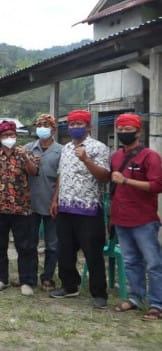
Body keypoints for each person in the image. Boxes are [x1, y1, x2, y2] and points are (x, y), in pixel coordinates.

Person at [50, 110, 110, 309]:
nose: (75, 127)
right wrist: (55, 199)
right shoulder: (66, 148)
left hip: (88, 208)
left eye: (79, 124)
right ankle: (69, 286)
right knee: (64, 250)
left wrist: (86, 159)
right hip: (65, 207)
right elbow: (61, 175)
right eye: (72, 124)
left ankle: (99, 293)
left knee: (92, 252)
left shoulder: (98, 148)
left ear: (89, 127)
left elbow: (104, 176)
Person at [108, 113, 162, 320]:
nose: (123, 133)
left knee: (154, 262)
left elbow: (157, 185)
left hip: (144, 219)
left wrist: (127, 181)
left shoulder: (150, 156)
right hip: (122, 218)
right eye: (120, 130)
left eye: (128, 130)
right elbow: (115, 189)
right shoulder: (116, 157)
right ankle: (135, 297)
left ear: (138, 132)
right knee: (131, 261)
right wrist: (112, 216)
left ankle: (157, 304)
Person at [0, 120, 38, 296]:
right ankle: (2, 279)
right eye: (6, 135)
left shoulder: (25, 153)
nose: (9, 138)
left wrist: (26, 157)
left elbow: (34, 172)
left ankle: (26, 281)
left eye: (12, 135)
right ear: (0, 138)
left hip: (21, 208)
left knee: (25, 246)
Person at [24, 114, 62, 291]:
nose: (42, 127)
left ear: (53, 128)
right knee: (30, 242)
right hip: (31, 203)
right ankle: (29, 277)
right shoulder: (28, 149)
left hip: (51, 203)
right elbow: (21, 175)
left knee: (52, 244)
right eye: (38, 124)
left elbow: (61, 178)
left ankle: (47, 277)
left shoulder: (61, 150)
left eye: (45, 124)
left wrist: (55, 200)